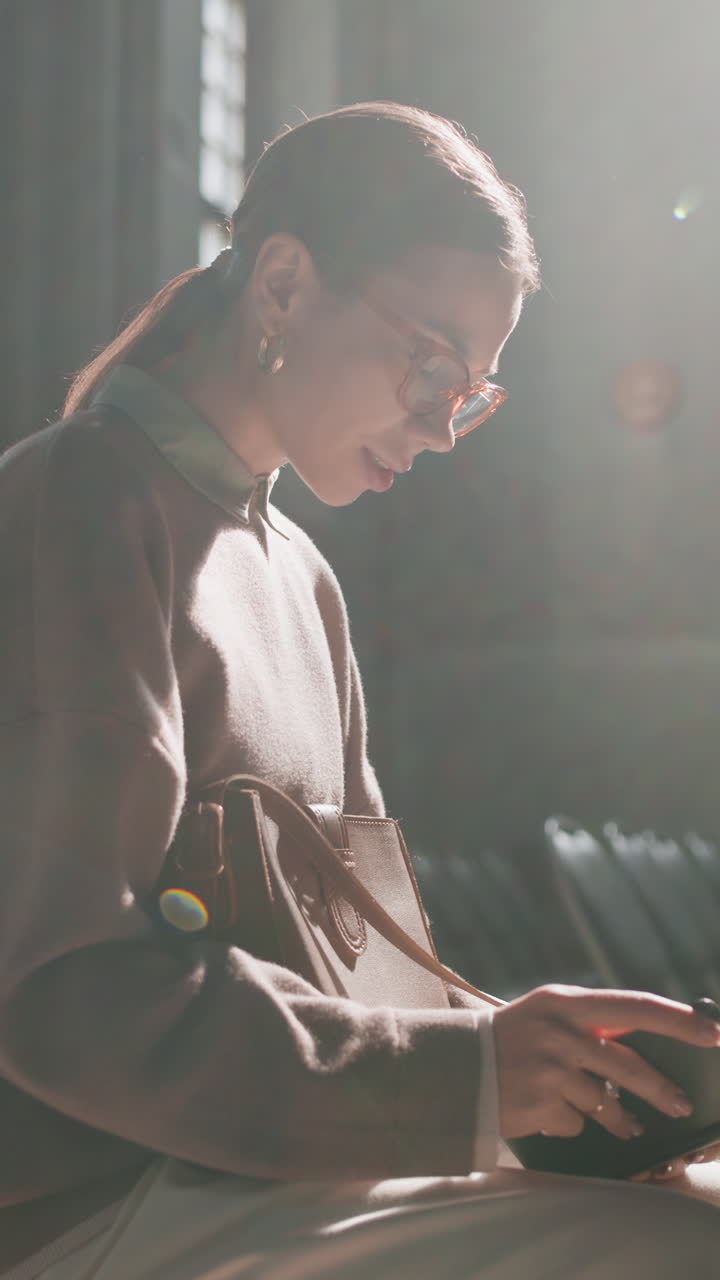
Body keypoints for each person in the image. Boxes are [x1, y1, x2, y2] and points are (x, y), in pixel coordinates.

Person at [0, 101, 718, 1280]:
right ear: (282, 286)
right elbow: (64, 987)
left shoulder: (304, 579)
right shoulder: (81, 504)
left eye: (473, 391)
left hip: (267, 1178)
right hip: (93, 1205)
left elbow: (372, 986)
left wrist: (548, 1069)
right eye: (431, 360)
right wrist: (476, 1079)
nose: (442, 425)